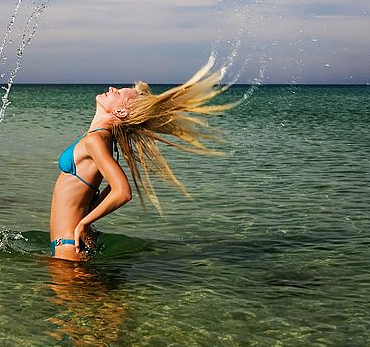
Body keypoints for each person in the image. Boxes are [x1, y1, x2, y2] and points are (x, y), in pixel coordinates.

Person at [49, 57, 234, 261]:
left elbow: (122, 192)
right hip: (70, 244)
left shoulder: (96, 140)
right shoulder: (102, 139)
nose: (111, 88)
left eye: (117, 93)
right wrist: (87, 215)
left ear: (120, 112)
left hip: (69, 246)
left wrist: (84, 222)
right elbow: (111, 188)